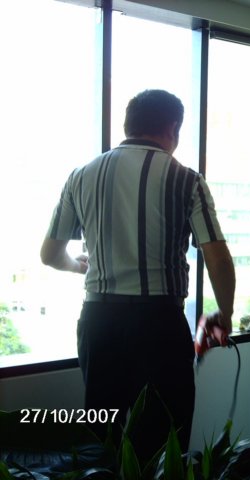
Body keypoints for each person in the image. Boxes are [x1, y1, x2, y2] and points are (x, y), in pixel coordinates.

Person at [40, 89, 235, 461]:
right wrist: (223, 313)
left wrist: (78, 265)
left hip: (99, 322)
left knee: (102, 436)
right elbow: (218, 259)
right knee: (162, 442)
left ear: (127, 125)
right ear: (173, 129)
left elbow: (49, 255)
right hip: (159, 324)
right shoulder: (186, 179)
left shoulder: (81, 176)